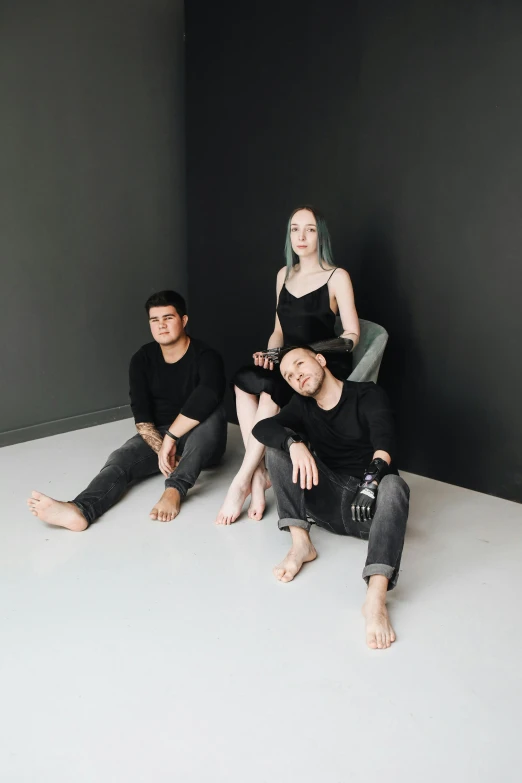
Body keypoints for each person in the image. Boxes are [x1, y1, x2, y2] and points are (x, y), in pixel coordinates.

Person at [252, 346, 410, 650]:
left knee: (395, 487)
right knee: (278, 449)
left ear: (320, 360)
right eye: (288, 375)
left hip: (367, 509)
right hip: (324, 501)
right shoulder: (301, 405)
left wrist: (370, 484)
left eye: (299, 364)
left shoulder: (367, 394)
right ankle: (301, 545)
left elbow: (384, 441)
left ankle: (375, 600)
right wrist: (293, 442)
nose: (295, 375)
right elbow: (263, 427)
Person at [27, 291, 227, 531]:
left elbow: (207, 395)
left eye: (168, 318)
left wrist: (171, 439)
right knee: (121, 458)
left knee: (213, 413)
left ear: (183, 321)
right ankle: (81, 509)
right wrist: (162, 447)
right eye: (155, 320)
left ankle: (175, 489)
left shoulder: (207, 357)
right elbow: (142, 416)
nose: (161, 325)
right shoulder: (142, 359)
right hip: (162, 438)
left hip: (202, 437)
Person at [215, 205, 360, 525]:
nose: (301, 236)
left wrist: (308, 353)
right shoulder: (284, 274)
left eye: (309, 229)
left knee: (271, 392)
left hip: (322, 362)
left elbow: (352, 334)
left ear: (320, 235)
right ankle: (259, 473)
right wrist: (271, 356)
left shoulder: (337, 277)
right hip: (286, 362)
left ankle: (242, 480)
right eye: (295, 229)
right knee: (243, 380)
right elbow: (279, 331)